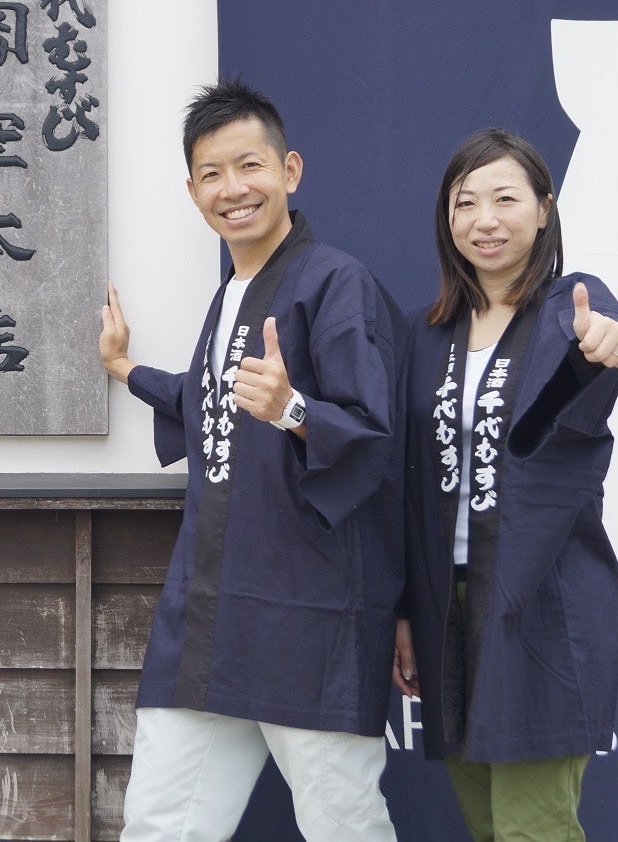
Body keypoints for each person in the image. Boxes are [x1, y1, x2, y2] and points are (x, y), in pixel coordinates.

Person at [99, 78, 404, 840]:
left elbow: (372, 434)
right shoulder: (231, 292)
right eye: (211, 174)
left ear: (290, 171)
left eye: (249, 166)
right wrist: (126, 370)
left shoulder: (337, 283)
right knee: (159, 824)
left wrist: (294, 410)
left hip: (311, 618)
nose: (232, 189)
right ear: (193, 190)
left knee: (344, 826)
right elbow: (213, 403)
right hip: (209, 616)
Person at [392, 128, 618, 840]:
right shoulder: (425, 334)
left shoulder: (570, 308)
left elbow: (596, 351)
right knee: (488, 828)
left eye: (505, 199)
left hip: (541, 601)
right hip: (448, 609)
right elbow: (404, 485)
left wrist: (608, 346)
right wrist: (408, 610)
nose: (484, 219)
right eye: (465, 203)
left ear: (543, 208)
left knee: (535, 829)